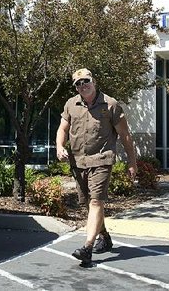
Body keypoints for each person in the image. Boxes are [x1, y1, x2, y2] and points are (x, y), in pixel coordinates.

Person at [55, 68, 138, 267]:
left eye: (85, 81)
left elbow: (125, 135)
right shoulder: (71, 104)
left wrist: (132, 162)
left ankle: (87, 247)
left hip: (102, 159)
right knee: (87, 203)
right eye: (78, 83)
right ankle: (105, 237)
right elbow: (62, 128)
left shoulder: (111, 104)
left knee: (96, 202)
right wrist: (59, 146)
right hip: (78, 161)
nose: (82, 85)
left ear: (93, 81)